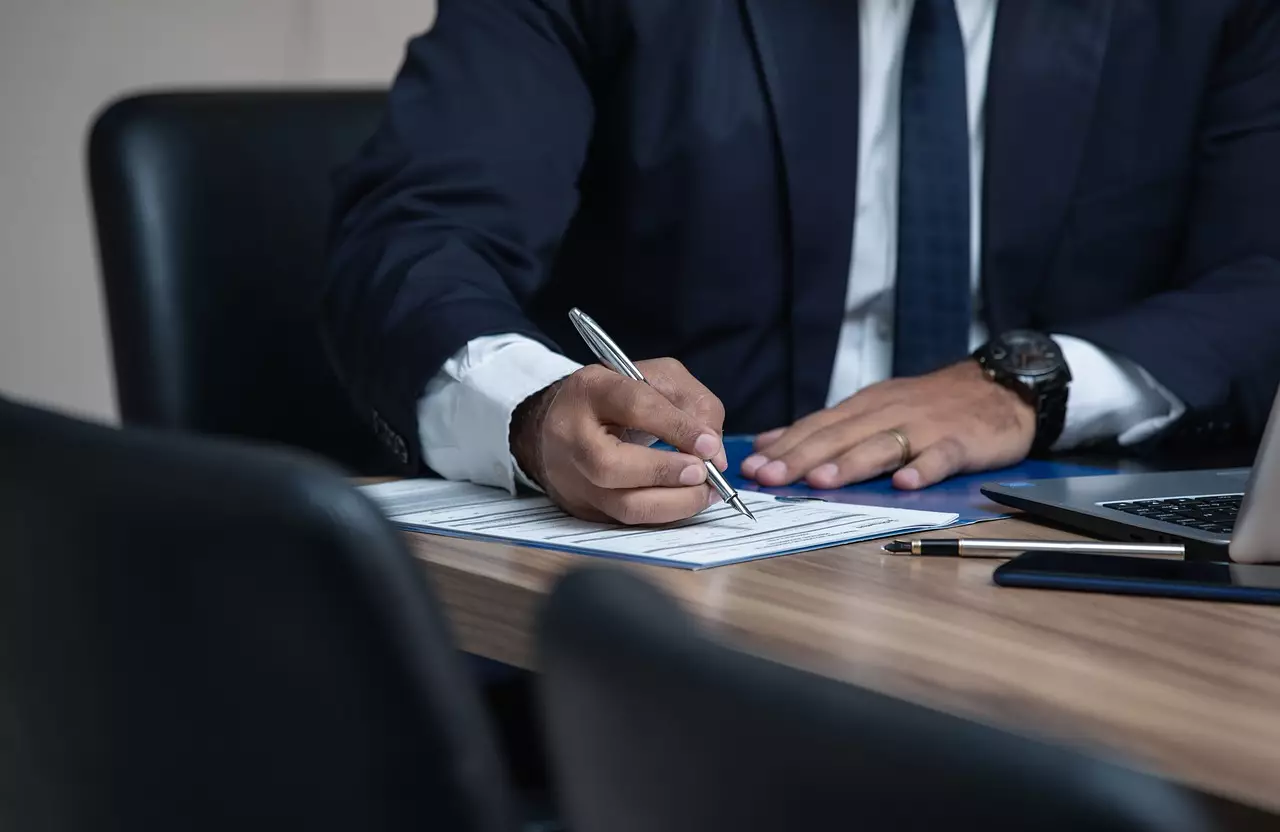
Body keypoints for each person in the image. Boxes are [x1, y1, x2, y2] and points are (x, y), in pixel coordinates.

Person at [324, 0, 1280, 526]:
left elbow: (1263, 277)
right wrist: (535, 412)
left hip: (1062, 574)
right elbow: (414, 240)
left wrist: (1031, 383)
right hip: (697, 578)